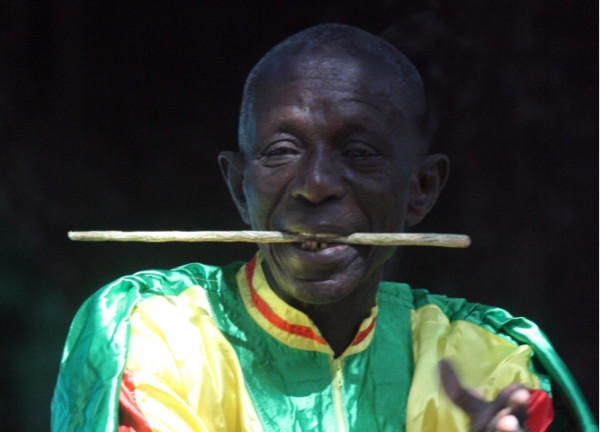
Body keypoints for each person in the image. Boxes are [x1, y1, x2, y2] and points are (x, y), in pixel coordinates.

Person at [51, 24, 596, 432]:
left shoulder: (488, 360)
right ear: (240, 187)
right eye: (283, 151)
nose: (314, 185)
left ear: (421, 190)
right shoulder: (156, 334)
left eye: (358, 153)